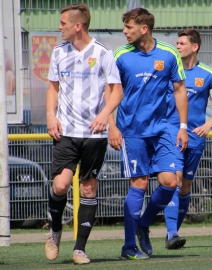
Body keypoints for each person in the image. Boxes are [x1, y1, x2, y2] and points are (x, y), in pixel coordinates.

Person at [44, 3, 123, 265]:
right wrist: (50, 115)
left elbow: (116, 91)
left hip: (94, 134)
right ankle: (55, 231)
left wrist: (105, 116)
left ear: (77, 26)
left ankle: (79, 249)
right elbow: (53, 88)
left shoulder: (103, 53)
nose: (60, 27)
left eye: (63, 23)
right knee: (60, 185)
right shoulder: (58, 52)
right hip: (66, 132)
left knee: (88, 188)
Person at [107, 8, 188, 260]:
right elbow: (109, 92)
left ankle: (144, 223)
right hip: (132, 132)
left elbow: (179, 89)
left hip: (163, 129)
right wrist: (112, 124)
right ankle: (128, 247)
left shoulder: (168, 53)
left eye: (129, 27)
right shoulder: (120, 56)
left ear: (144, 29)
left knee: (170, 182)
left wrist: (183, 127)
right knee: (140, 184)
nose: (124, 31)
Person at [163, 28, 212, 249]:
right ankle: (172, 233)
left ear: (194, 46)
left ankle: (173, 233)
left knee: (185, 187)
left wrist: (208, 126)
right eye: (177, 43)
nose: (177, 46)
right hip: (173, 134)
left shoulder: (208, 74)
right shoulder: (170, 71)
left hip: (196, 139)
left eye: (181, 43)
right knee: (175, 180)